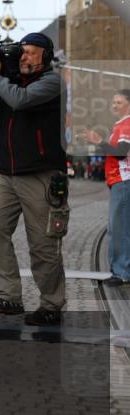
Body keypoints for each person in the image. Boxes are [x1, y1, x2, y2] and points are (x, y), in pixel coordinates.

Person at [0, 32, 67, 325]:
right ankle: (8, 296)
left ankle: (51, 303)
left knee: (42, 243)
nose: (24, 56)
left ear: (46, 55)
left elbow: (21, 101)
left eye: (30, 52)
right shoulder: (11, 85)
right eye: (22, 52)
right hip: (7, 174)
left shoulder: (52, 82)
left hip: (41, 174)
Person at [80, 89, 130, 286]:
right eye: (113, 102)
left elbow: (121, 152)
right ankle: (119, 270)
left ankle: (122, 272)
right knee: (117, 227)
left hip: (123, 180)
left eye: (119, 102)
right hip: (119, 181)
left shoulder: (126, 124)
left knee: (119, 228)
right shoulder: (120, 124)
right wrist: (99, 143)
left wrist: (99, 141)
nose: (114, 105)